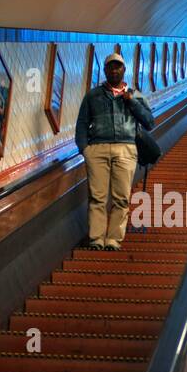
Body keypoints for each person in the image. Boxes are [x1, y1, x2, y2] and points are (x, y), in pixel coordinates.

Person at [74, 53, 155, 250]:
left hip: (126, 148)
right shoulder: (93, 95)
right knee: (97, 196)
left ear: (124, 70)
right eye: (110, 67)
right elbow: (82, 123)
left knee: (121, 197)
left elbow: (150, 122)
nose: (114, 70)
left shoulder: (136, 95)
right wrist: (85, 149)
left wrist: (132, 102)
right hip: (97, 149)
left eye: (118, 67)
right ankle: (96, 238)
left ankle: (113, 239)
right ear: (105, 71)